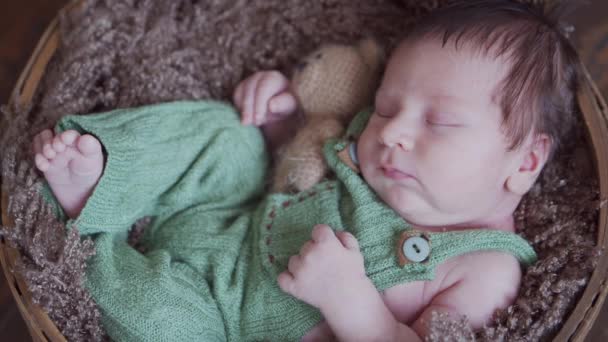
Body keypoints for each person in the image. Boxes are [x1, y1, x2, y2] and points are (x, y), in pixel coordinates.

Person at [31, 0, 580, 340]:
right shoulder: (379, 151)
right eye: (387, 107)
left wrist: (352, 302)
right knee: (228, 134)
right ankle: (107, 176)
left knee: (158, 322)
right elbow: (295, 159)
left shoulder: (485, 269)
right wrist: (278, 117)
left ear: (526, 161)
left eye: (441, 123)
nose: (391, 131)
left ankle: (91, 233)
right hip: (234, 212)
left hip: (222, 320)